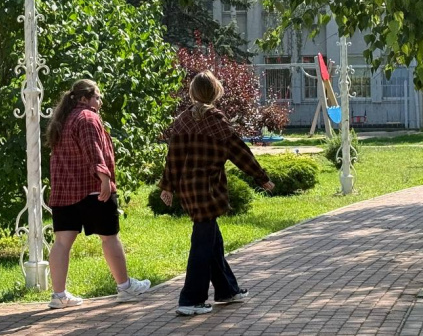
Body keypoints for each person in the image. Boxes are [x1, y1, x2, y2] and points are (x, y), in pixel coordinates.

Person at [159, 70, 275, 316]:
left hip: (189, 190)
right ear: (215, 92)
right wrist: (261, 178)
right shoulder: (217, 120)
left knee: (212, 240)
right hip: (209, 189)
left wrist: (168, 186)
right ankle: (190, 299)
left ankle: (227, 290)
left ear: (192, 93)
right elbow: (239, 152)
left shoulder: (181, 120)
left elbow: (173, 158)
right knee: (202, 244)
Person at [45, 79, 150, 309]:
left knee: (62, 242)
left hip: (64, 191)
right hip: (92, 189)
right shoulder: (87, 117)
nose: (100, 102)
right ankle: (125, 288)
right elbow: (93, 148)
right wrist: (104, 178)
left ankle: (59, 296)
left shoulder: (63, 120)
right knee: (109, 236)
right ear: (84, 98)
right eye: (98, 97)